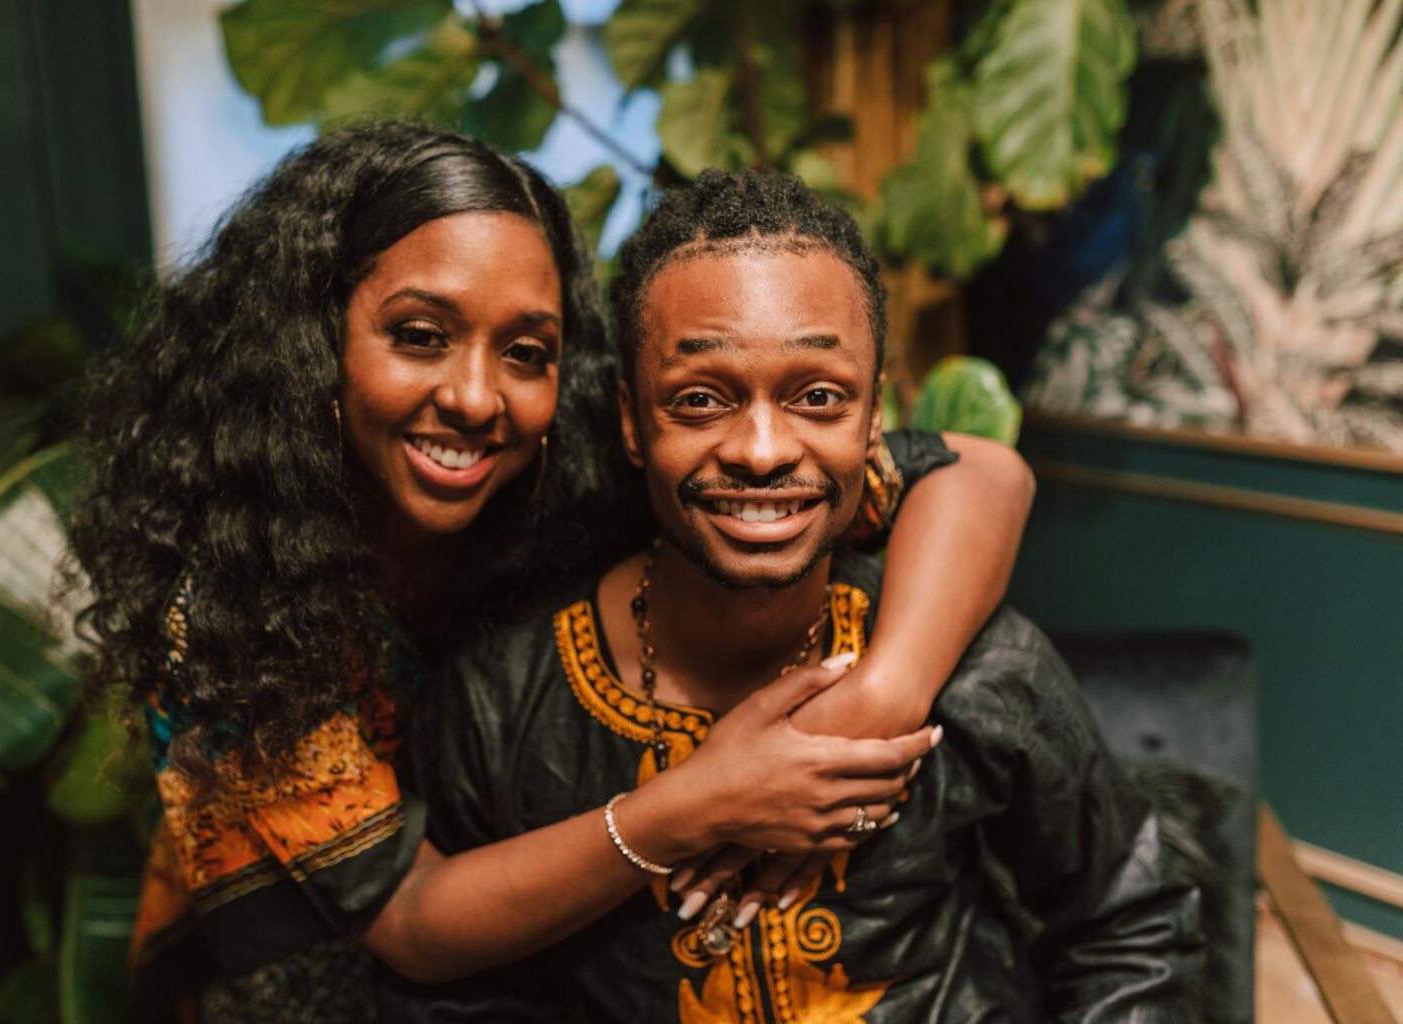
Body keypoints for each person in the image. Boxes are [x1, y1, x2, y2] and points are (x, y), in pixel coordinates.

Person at [68, 123, 1034, 1015]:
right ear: (315, 340)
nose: (477, 397)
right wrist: (704, 802)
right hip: (316, 978)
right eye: (419, 336)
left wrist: (876, 701)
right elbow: (409, 926)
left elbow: (979, 473)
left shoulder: (585, 467)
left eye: (525, 350)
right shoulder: (231, 601)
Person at [388, 168, 1203, 1021]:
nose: (764, 449)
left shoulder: (980, 668)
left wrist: (884, 696)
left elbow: (1130, 926)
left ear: (874, 416)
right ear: (632, 421)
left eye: (818, 397)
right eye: (701, 399)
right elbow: (454, 994)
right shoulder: (501, 703)